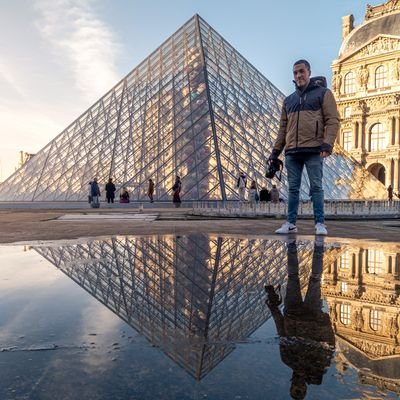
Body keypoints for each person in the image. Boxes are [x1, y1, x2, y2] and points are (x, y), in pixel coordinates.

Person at [270, 59, 340, 235]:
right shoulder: (289, 101)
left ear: (308, 72)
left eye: (301, 71)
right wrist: (275, 152)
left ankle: (320, 223)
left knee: (316, 187)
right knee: (292, 188)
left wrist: (327, 143)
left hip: (314, 148)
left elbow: (332, 120)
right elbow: (282, 129)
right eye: (295, 72)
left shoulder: (323, 94)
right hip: (292, 151)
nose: (298, 75)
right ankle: (291, 223)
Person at [265, 239, 335, 400]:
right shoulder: (318, 368)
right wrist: (324, 321)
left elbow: (281, 330)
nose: (298, 387)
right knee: (315, 277)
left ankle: (292, 245)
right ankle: (318, 248)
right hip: (312, 314)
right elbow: (330, 342)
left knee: (294, 276)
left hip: (293, 312)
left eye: (295, 389)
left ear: (291, 385)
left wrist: (274, 307)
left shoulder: (287, 360)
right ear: (305, 389)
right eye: (300, 390)